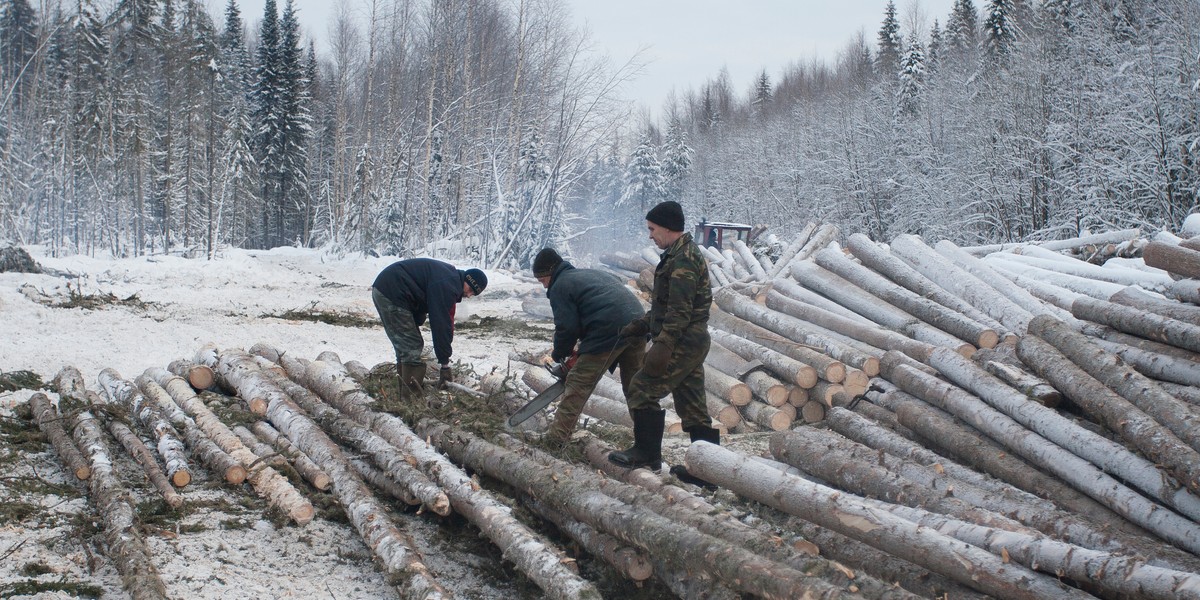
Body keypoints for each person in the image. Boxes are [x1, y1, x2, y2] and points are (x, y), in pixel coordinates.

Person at [608, 200, 719, 487]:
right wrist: (641, 325)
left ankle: (647, 455)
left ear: (668, 228)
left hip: (682, 340)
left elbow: (680, 312)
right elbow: (667, 306)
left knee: (642, 388)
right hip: (688, 339)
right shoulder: (677, 255)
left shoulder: (683, 259)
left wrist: (663, 346)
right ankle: (708, 471)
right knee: (692, 405)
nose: (650, 235)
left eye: (652, 229)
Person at [532, 248, 646, 445]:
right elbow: (592, 311)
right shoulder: (588, 274)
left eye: (543, 281)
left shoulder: (560, 285)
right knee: (635, 388)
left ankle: (556, 438)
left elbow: (567, 327)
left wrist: (561, 354)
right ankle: (647, 443)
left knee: (577, 383)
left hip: (610, 328)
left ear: (550, 273)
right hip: (638, 323)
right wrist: (578, 350)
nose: (544, 286)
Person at [371, 258, 487, 399]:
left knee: (406, 345)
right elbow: (441, 325)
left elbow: (422, 297)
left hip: (388, 289)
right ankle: (412, 402)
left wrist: (416, 322)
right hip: (393, 293)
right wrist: (444, 364)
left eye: (473, 294)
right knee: (411, 345)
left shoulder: (448, 279)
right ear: (467, 280)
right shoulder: (448, 285)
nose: (469, 295)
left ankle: (404, 393)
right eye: (470, 290)